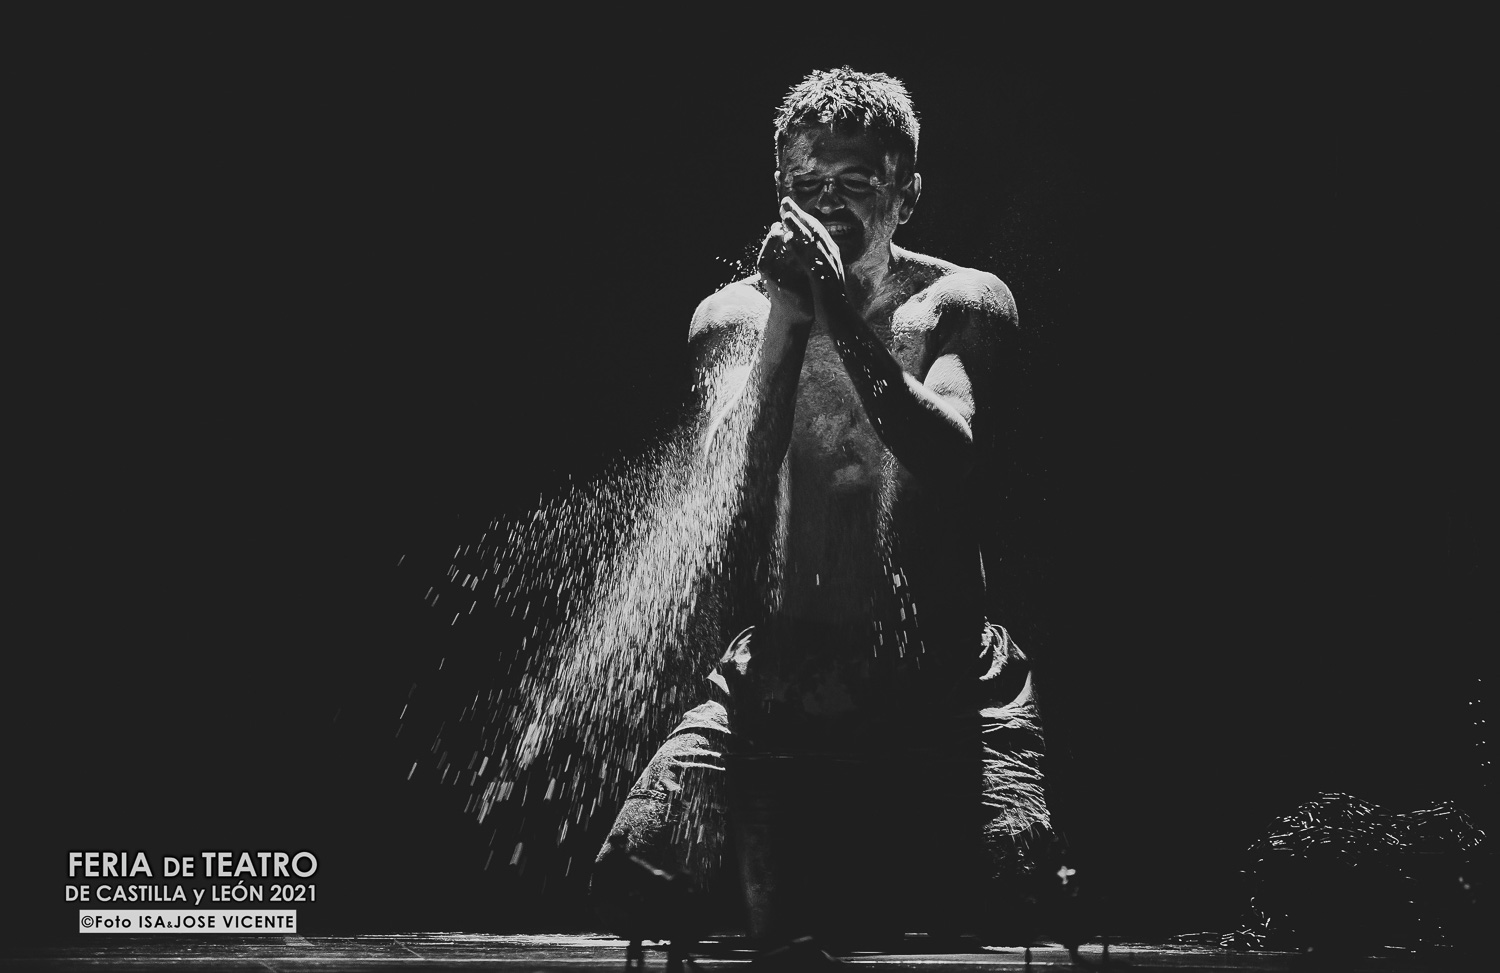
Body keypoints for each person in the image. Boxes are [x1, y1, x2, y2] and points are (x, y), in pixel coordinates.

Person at [594, 67, 1050, 944]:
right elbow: (729, 482)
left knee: (1021, 899)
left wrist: (837, 310)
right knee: (632, 878)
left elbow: (949, 452)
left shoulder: (961, 300)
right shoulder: (733, 314)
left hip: (948, 680)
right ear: (779, 189)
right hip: (781, 675)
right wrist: (791, 321)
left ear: (907, 195)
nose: (827, 203)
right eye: (807, 184)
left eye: (855, 183)